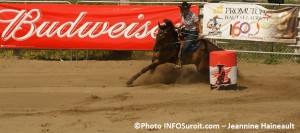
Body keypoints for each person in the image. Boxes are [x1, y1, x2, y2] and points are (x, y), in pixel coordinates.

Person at [175, 1, 201, 69]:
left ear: (188, 9)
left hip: (193, 32)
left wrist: (201, 33)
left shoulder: (193, 15)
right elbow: (183, 22)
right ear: (182, 9)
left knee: (185, 46)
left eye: (186, 9)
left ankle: (182, 61)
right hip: (186, 30)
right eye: (184, 9)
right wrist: (179, 26)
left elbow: (198, 24)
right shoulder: (182, 14)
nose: (185, 10)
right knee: (174, 38)